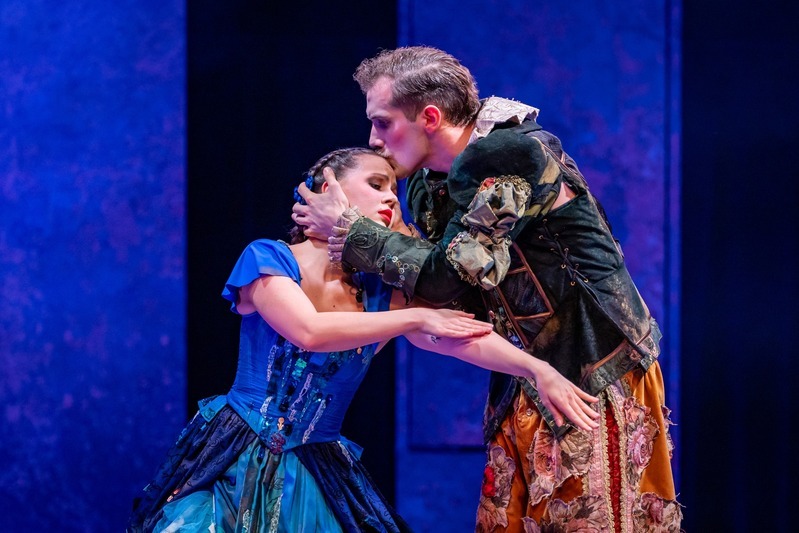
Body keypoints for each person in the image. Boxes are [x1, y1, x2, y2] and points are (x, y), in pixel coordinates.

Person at [292, 47, 683, 531]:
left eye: (383, 122)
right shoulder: (428, 183)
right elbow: (451, 297)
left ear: (429, 117)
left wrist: (350, 230)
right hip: (523, 377)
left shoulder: (509, 153)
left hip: (590, 366)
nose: (374, 139)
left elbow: (449, 275)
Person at [127, 147, 599, 533]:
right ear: (327, 187)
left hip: (318, 466)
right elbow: (310, 331)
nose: (391, 196)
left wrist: (536, 369)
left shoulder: (379, 291)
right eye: (376, 184)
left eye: (394, 188)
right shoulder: (267, 258)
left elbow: (455, 337)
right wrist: (417, 316)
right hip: (238, 454)